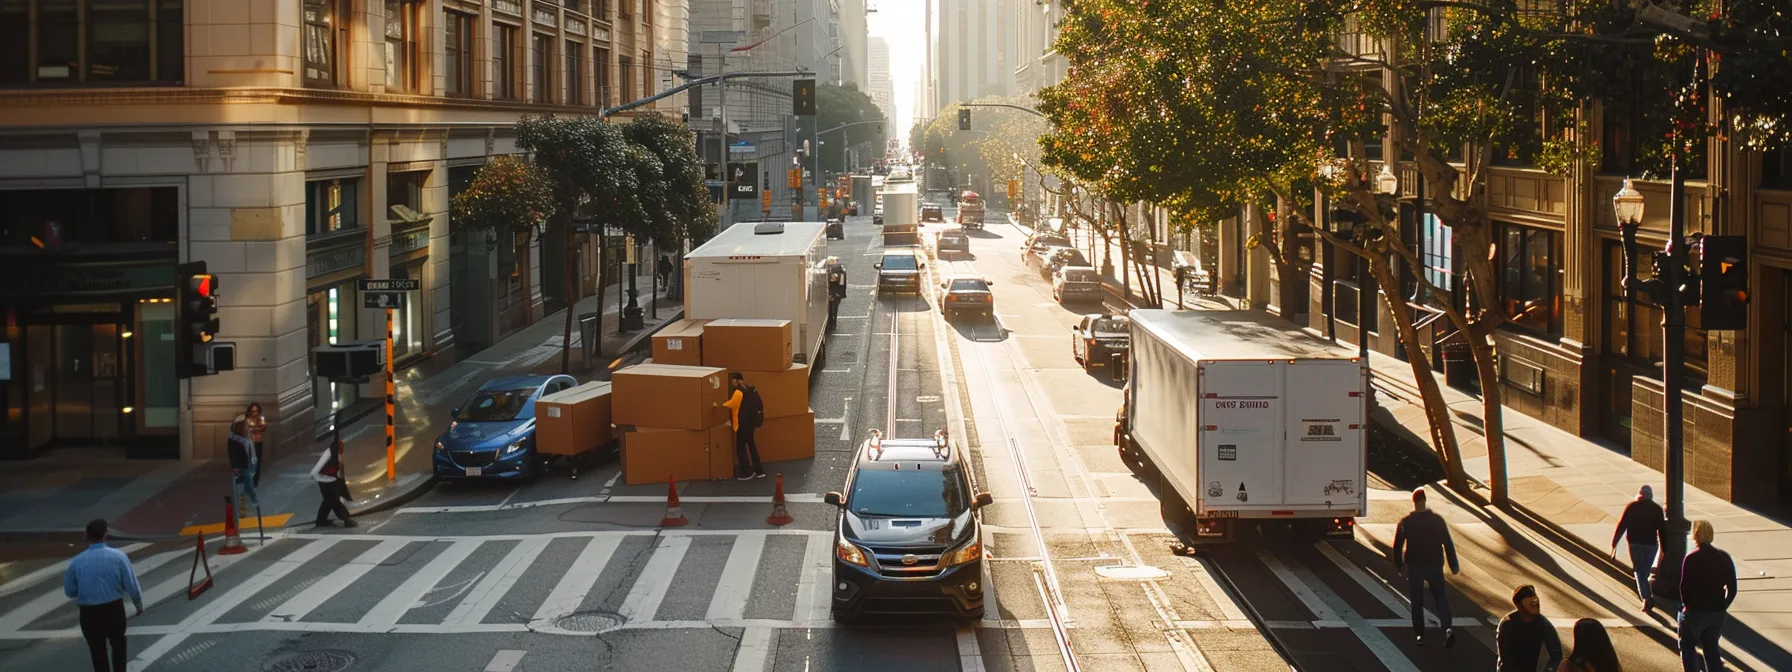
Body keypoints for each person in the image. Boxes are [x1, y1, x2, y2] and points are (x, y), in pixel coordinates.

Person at [63, 519, 141, 672]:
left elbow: (69, 590)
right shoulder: (118, 557)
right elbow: (131, 584)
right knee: (118, 646)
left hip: (89, 613)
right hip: (114, 609)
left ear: (87, 535)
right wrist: (138, 605)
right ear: (106, 534)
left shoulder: (76, 562)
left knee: (97, 652)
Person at [1391, 487, 1460, 647]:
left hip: (1415, 566)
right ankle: (1447, 628)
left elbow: (1397, 545)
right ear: (1425, 501)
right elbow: (1448, 543)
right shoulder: (1437, 520)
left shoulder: (1406, 522)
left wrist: (1399, 564)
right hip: (1435, 564)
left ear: (1414, 502)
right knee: (1440, 598)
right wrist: (1453, 564)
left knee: (1416, 600)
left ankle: (1420, 635)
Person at [1679, 519, 1736, 672]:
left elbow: (1684, 588)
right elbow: (1732, 588)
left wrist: (1688, 607)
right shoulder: (1724, 557)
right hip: (1716, 612)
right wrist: (1723, 606)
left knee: (1687, 645)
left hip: (1695, 612)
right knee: (1711, 650)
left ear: (1695, 536)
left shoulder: (1691, 558)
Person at [1611, 484, 1665, 612]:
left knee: (1639, 571)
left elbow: (1622, 525)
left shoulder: (1632, 507)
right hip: (1651, 545)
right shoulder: (1657, 509)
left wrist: (1614, 543)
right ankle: (1647, 597)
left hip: (1635, 544)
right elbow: (1662, 531)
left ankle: (1646, 598)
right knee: (1644, 572)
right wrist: (1664, 549)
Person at [1497, 584, 1562, 672]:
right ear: (1519, 606)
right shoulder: (1508, 625)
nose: (1535, 605)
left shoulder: (1543, 624)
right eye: (1531, 603)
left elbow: (1556, 653)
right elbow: (1506, 659)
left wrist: (1549, 669)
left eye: (1536, 602)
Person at [717, 373, 765, 480]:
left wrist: (718, 406)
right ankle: (759, 470)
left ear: (735, 381)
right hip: (751, 423)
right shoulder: (749, 388)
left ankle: (747, 472)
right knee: (752, 446)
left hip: (743, 424)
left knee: (741, 448)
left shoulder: (738, 392)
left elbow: (731, 404)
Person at [309, 441, 357, 528]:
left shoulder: (335, 451)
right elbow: (319, 467)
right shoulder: (331, 452)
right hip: (325, 477)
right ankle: (347, 519)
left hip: (328, 477)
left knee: (328, 500)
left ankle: (321, 520)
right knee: (334, 499)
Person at [226, 416, 261, 513]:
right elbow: (232, 454)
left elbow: (252, 450)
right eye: (245, 425)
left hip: (250, 464)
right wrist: (235, 466)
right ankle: (254, 502)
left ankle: (243, 508)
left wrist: (254, 462)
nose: (247, 427)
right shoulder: (234, 440)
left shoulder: (247, 437)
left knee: (245, 487)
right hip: (242, 466)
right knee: (247, 484)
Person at [244, 402, 268, 487]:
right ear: (250, 411)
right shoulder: (247, 419)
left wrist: (255, 429)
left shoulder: (260, 418)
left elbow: (264, 427)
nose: (255, 413)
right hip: (249, 443)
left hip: (257, 443)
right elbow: (245, 429)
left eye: (256, 411)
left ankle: (255, 482)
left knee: (257, 463)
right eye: (253, 411)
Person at [827, 257, 848, 330]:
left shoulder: (833, 270)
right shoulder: (841, 270)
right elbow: (842, 283)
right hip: (837, 293)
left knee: (831, 308)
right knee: (834, 309)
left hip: (833, 293)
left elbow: (834, 282)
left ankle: (831, 322)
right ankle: (833, 323)